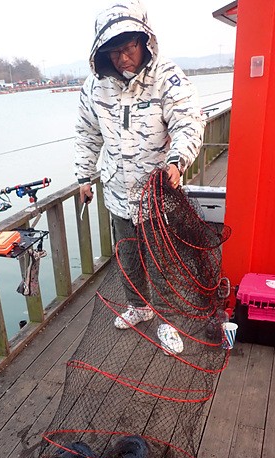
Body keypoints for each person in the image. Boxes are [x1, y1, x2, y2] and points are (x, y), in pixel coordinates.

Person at [74, 0, 205, 330]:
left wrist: (177, 161)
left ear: (143, 40)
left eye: (128, 47)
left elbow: (188, 122)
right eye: (113, 52)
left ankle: (168, 322)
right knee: (128, 257)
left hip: (157, 193)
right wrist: (84, 177)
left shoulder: (167, 76)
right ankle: (138, 307)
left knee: (163, 261)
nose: (122, 58)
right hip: (117, 195)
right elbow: (87, 133)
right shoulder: (94, 87)